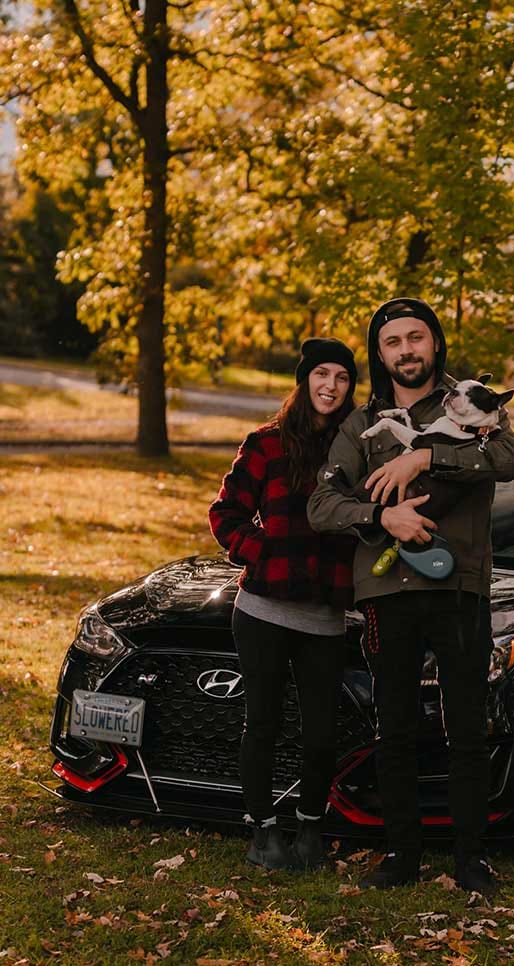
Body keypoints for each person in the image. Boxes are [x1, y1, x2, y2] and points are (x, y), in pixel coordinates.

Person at [307, 297, 514, 895]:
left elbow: (507, 459)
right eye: (393, 342)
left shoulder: (472, 402)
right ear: (381, 354)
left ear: (435, 343)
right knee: (394, 726)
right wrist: (385, 516)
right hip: (387, 590)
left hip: (459, 588)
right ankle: (401, 855)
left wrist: (429, 455)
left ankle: (470, 858)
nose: (406, 350)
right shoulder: (362, 422)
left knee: (467, 728)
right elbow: (323, 505)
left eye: (416, 338)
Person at [209, 338, 357, 871]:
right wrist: (260, 552)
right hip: (262, 611)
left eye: (342, 378)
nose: (331, 386)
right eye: (322, 374)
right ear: (304, 380)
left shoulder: (354, 449)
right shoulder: (267, 443)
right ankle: (263, 831)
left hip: (325, 615)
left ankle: (310, 829)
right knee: (263, 724)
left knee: (320, 734)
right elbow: (225, 513)